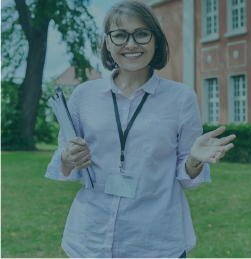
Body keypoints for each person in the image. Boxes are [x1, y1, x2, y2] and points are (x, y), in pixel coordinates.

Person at [45, 1, 236, 258]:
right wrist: (68, 158)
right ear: (108, 42)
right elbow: (64, 163)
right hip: (89, 239)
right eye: (120, 35)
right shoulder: (83, 95)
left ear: (155, 40)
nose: (131, 44)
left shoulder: (181, 98)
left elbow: (187, 180)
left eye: (142, 34)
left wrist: (193, 160)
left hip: (155, 242)